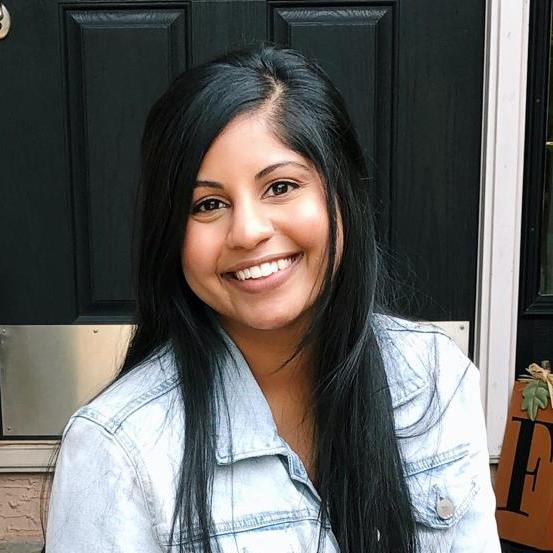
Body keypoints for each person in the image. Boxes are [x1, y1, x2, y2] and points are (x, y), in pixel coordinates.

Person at [44, 44, 501, 552]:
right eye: (208, 204)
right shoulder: (119, 447)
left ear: (342, 193)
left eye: (280, 187)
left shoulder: (435, 380)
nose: (247, 231)